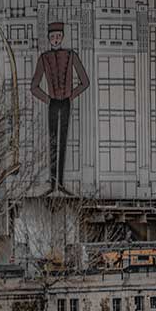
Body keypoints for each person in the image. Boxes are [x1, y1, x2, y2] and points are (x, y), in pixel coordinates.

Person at [31, 21, 89, 193]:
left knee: (63, 140)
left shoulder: (71, 55)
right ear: (49, 39)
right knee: (53, 141)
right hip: (53, 103)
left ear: (62, 37)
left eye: (58, 36)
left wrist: (72, 95)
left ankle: (60, 183)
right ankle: (53, 182)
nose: (55, 39)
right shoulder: (43, 58)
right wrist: (47, 99)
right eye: (52, 37)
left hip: (65, 102)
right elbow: (33, 86)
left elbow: (85, 81)